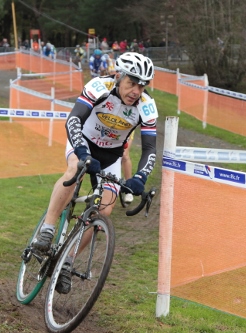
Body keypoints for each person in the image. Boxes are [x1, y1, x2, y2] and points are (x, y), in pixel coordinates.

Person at [32, 52, 157, 294]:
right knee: (73, 169)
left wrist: (140, 177)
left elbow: (150, 148)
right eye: (131, 83)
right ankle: (47, 229)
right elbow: (73, 120)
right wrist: (82, 152)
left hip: (111, 156)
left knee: (104, 210)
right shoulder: (99, 86)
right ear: (118, 76)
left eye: (142, 86)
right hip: (83, 142)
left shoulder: (146, 106)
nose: (136, 91)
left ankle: (66, 262)